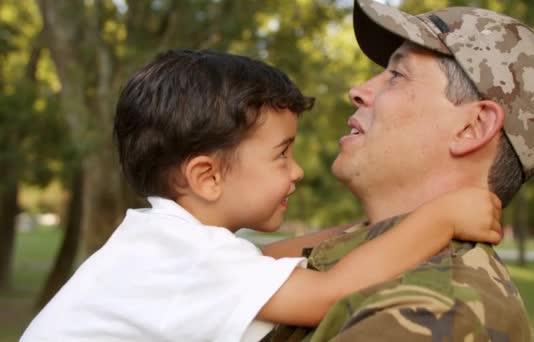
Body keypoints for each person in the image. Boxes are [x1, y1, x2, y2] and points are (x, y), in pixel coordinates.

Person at [21, 49, 502, 342]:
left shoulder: (170, 241)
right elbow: (323, 296)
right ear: (207, 177)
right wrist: (441, 218)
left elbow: (266, 259)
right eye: (281, 155)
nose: (296, 171)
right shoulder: (183, 257)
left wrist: (368, 232)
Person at [269, 0, 534, 340]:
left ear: (472, 127)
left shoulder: (429, 313)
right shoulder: (370, 251)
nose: (358, 91)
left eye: (396, 75)